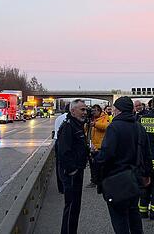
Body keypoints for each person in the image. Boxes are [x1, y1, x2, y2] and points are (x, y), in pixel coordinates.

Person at [96, 96, 153, 234]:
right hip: (135, 179)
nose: (113, 111)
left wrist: (96, 163)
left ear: (119, 110)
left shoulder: (114, 127)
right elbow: (147, 154)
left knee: (119, 219)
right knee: (134, 215)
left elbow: (106, 155)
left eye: (114, 108)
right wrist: (147, 174)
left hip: (117, 180)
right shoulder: (139, 127)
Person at [56, 99, 90, 234]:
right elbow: (63, 151)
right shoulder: (68, 126)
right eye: (82, 110)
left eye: (85, 109)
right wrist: (72, 170)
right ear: (73, 111)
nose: (85, 112)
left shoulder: (77, 124)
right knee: (71, 206)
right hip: (71, 173)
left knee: (76, 206)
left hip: (77, 170)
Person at [88, 104, 110, 188]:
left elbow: (106, 126)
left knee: (100, 166)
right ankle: (93, 180)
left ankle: (101, 182)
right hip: (92, 145)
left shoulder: (105, 117)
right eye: (92, 111)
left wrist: (95, 124)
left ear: (99, 110)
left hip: (100, 145)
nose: (93, 113)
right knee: (92, 165)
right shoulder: (91, 118)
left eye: (95, 111)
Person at [53, 106, 69, 194]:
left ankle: (61, 188)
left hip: (57, 142)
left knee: (59, 164)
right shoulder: (69, 119)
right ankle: (67, 185)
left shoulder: (59, 118)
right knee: (67, 165)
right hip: (65, 143)